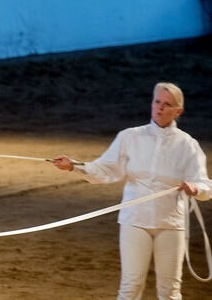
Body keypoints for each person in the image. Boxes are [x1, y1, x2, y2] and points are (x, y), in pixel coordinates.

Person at [53, 83, 212, 300]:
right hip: (135, 221)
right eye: (157, 102)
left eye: (167, 104)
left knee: (170, 290)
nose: (160, 108)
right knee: (131, 285)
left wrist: (196, 188)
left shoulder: (187, 145)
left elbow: (205, 185)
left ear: (178, 111)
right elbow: (105, 169)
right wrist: (74, 166)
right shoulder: (130, 137)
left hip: (170, 224)